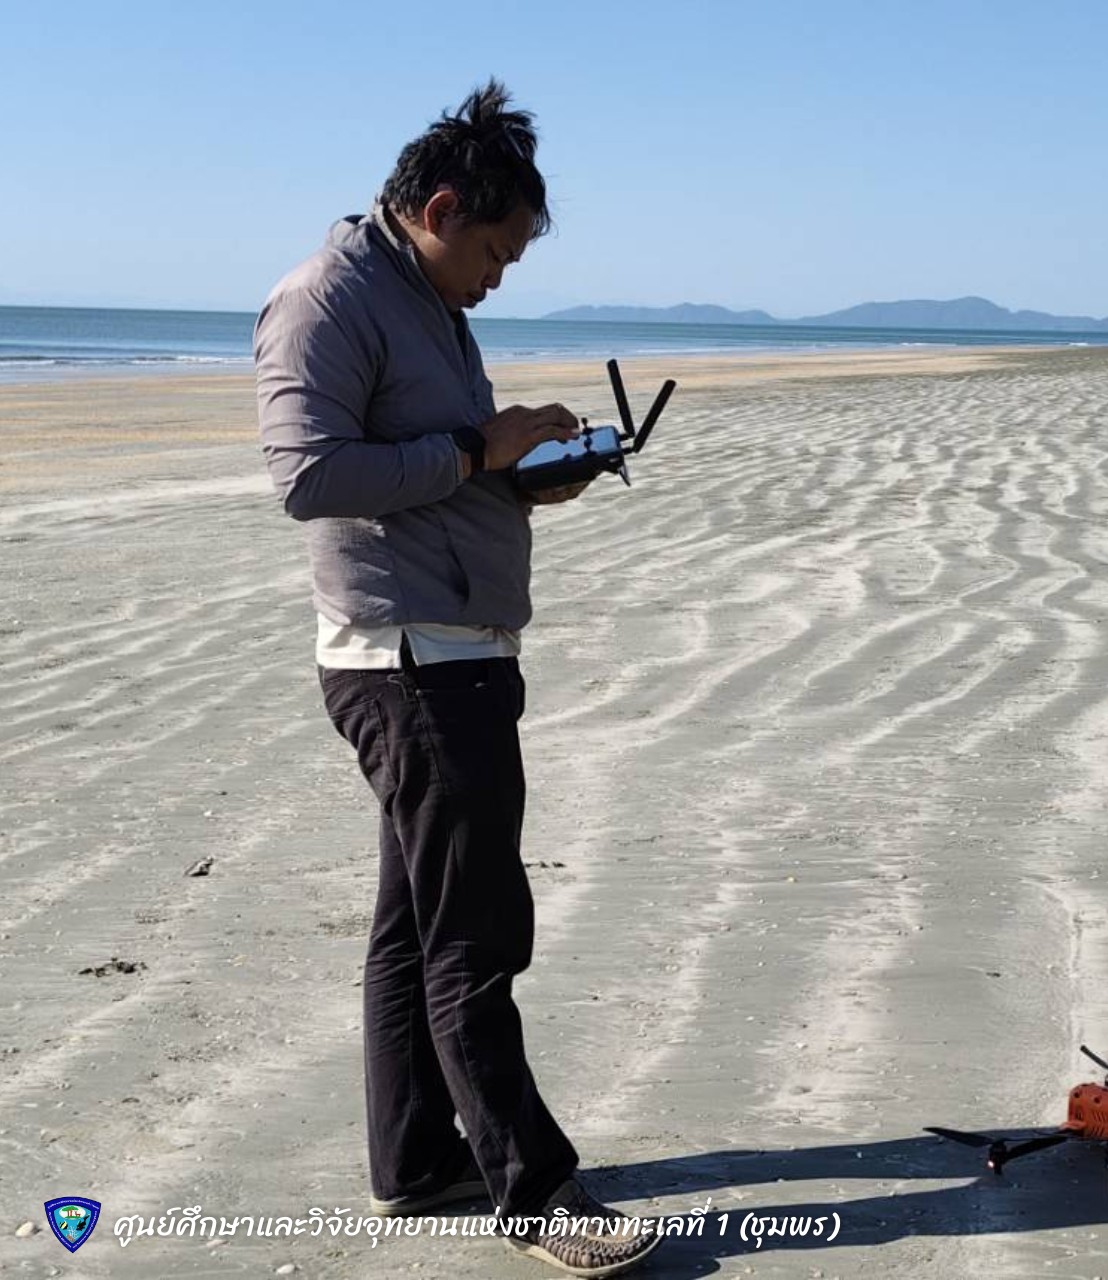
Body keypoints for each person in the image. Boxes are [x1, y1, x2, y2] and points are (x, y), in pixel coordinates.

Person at [255, 81, 659, 1278]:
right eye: (493, 252)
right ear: (439, 209)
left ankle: (416, 1157)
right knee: (475, 936)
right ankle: (537, 1193)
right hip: (413, 663)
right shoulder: (328, 297)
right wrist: (482, 446)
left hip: (450, 649)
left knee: (416, 926)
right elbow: (307, 475)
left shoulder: (422, 299)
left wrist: (529, 475)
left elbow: (434, 467)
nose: (497, 278)